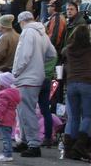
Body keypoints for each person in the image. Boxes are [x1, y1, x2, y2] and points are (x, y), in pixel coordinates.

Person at [61, 25, 91, 160]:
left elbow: (62, 56)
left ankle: (69, 149)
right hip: (87, 83)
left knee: (74, 117)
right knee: (88, 116)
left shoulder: (68, 50)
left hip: (71, 84)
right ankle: (80, 145)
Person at [11, 11, 57, 157]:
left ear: (21, 22)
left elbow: (23, 55)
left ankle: (32, 143)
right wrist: (41, 64)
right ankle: (25, 141)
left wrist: (16, 72)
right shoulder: (42, 33)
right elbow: (52, 53)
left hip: (27, 78)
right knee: (25, 110)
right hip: (39, 76)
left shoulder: (27, 33)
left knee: (26, 111)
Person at [0, 72, 22, 163]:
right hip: (10, 117)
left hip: (4, 118)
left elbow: (1, 108)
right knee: (6, 136)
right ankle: (6, 152)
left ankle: (7, 154)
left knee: (6, 137)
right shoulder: (12, 93)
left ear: (2, 83)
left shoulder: (4, 95)